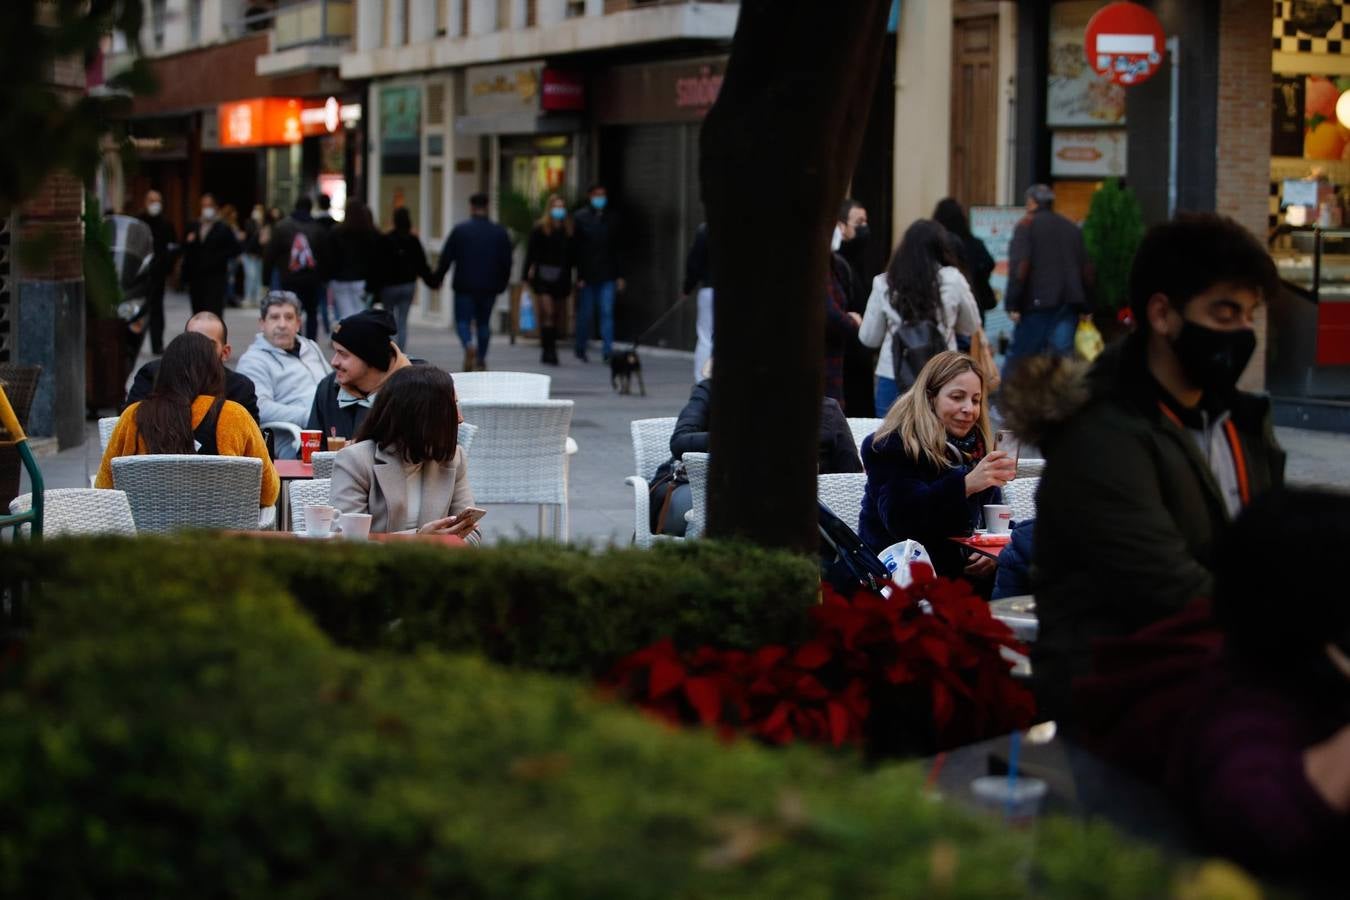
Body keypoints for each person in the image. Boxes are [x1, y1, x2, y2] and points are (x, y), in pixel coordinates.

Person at [998, 212, 1286, 721]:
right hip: (1120, 706)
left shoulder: (1243, 421)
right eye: (1224, 314)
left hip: (1222, 689)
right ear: (1162, 314)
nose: (1242, 332)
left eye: (1249, 315)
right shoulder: (1099, 435)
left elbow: (1271, 549)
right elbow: (1167, 590)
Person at [650, 360, 863, 536]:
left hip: (789, 522)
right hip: (722, 502)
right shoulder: (714, 390)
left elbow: (847, 479)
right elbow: (680, 442)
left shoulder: (825, 411)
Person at [857, 351, 1015, 581]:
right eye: (957, 397)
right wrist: (965, 485)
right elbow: (901, 519)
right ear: (930, 398)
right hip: (903, 579)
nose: (969, 409)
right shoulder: (891, 445)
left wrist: (996, 551)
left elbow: (993, 521)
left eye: (976, 400)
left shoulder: (976, 451)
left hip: (965, 577)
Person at [95, 331, 278, 508]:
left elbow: (104, 488)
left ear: (164, 369)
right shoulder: (235, 416)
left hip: (145, 536)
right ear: (214, 371)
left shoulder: (133, 416)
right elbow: (269, 493)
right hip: (220, 535)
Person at [330, 366, 480, 541]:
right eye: (451, 407)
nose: (460, 418)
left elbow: (473, 533)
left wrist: (437, 545)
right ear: (422, 417)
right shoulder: (355, 461)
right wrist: (418, 540)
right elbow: (345, 538)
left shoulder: (453, 459)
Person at [858, 219, 980, 416]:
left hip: (893, 374)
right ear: (941, 247)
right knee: (937, 440)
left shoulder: (884, 282)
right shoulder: (953, 279)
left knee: (890, 440)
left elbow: (869, 338)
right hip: (942, 375)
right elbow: (970, 326)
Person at [1001, 184, 1091, 373]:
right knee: (1062, 363)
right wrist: (1087, 306)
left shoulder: (1027, 226)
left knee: (1020, 360)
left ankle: (1009, 402)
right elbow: (1087, 269)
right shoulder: (1071, 228)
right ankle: (1062, 402)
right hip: (1068, 303)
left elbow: (1020, 267)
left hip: (1037, 304)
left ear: (1032, 203)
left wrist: (1012, 303)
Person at [234, 291, 331, 458]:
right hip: (295, 436)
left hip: (329, 425)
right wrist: (311, 415)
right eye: (274, 317)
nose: (282, 324)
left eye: (288, 317)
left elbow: (332, 382)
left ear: (298, 323)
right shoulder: (253, 360)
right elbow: (261, 408)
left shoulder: (310, 346)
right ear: (262, 323)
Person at [124, 311, 259, 424]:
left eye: (209, 345)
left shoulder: (240, 387)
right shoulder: (153, 375)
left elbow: (253, 444)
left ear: (225, 352)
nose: (198, 350)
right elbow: (128, 425)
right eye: (191, 341)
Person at [307, 308, 413, 451]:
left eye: (343, 354)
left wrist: (367, 450)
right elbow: (312, 453)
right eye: (335, 352)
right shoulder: (328, 388)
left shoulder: (417, 389)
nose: (334, 362)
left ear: (370, 358)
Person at [431, 193, 513, 372]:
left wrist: (437, 279)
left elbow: (446, 258)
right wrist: (503, 283)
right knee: (484, 323)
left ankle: (468, 345)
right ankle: (481, 358)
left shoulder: (460, 231)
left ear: (471, 207)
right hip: (489, 286)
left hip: (464, 285)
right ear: (487, 206)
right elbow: (507, 261)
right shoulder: (499, 232)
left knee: (462, 321)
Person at [571, 183, 625, 363]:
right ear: (590, 196)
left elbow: (617, 248)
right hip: (587, 276)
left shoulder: (613, 218)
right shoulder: (580, 217)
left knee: (607, 312)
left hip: (608, 274)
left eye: (603, 195)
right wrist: (579, 275)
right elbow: (576, 249)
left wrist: (619, 275)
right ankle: (580, 347)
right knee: (585, 314)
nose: (600, 198)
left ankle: (607, 351)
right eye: (597, 195)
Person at [263, 196, 330, 341]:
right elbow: (326, 256)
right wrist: (325, 278)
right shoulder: (318, 229)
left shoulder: (282, 227)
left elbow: (270, 254)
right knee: (312, 312)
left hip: (289, 278)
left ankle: (295, 341)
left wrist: (266, 278)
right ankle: (311, 343)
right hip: (312, 279)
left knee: (291, 311)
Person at [836, 198, 878, 417]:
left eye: (866, 222)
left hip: (861, 356)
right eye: (858, 222)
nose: (864, 228)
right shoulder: (836, 264)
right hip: (844, 359)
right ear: (841, 227)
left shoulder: (863, 261)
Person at [522, 194, 574, 366]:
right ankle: (548, 349)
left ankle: (550, 347)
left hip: (562, 278)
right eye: (556, 206)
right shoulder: (540, 228)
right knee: (548, 312)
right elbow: (530, 254)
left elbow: (574, 255)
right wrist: (525, 277)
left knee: (557, 314)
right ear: (550, 208)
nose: (559, 210)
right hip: (543, 277)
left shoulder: (568, 230)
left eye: (562, 206)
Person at [375, 206, 436, 350]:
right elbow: (422, 265)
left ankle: (390, 350)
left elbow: (378, 265)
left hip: (389, 286)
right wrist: (432, 281)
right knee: (402, 321)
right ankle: (400, 352)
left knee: (388, 320)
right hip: (408, 285)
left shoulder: (386, 240)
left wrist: (375, 287)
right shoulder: (413, 241)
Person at [932, 197, 997, 320]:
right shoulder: (974, 243)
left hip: (942, 305)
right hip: (973, 301)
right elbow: (989, 264)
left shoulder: (934, 244)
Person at [181, 192, 241, 317]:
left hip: (215, 279)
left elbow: (235, 249)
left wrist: (218, 258)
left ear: (215, 207)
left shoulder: (223, 227)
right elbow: (185, 250)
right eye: (204, 205)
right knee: (197, 314)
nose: (206, 209)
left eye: (209, 205)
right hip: (196, 279)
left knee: (213, 314)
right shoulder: (194, 226)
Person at [137, 189, 177, 355]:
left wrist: (167, 267)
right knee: (137, 310)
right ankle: (134, 345)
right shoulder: (139, 222)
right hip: (141, 274)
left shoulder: (166, 224)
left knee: (157, 310)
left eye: (157, 201)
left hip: (158, 274)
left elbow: (173, 247)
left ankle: (157, 344)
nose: (155, 205)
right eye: (151, 201)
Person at [328, 199, 379, 319]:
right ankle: (358, 336)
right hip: (361, 280)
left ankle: (350, 336)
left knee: (345, 314)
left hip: (340, 279)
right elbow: (374, 260)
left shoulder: (336, 232)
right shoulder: (369, 234)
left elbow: (330, 257)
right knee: (360, 314)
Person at [683, 222, 712, 382]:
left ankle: (702, 379)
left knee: (706, 338)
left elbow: (694, 262)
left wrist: (688, 287)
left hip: (709, 288)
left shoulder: (705, 230)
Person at [241, 204, 267, 308]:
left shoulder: (264, 224)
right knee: (250, 276)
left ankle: (257, 298)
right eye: (256, 210)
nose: (257, 212)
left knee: (258, 277)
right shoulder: (249, 223)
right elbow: (250, 235)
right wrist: (257, 226)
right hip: (248, 254)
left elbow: (263, 241)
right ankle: (248, 298)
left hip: (259, 255)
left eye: (259, 210)